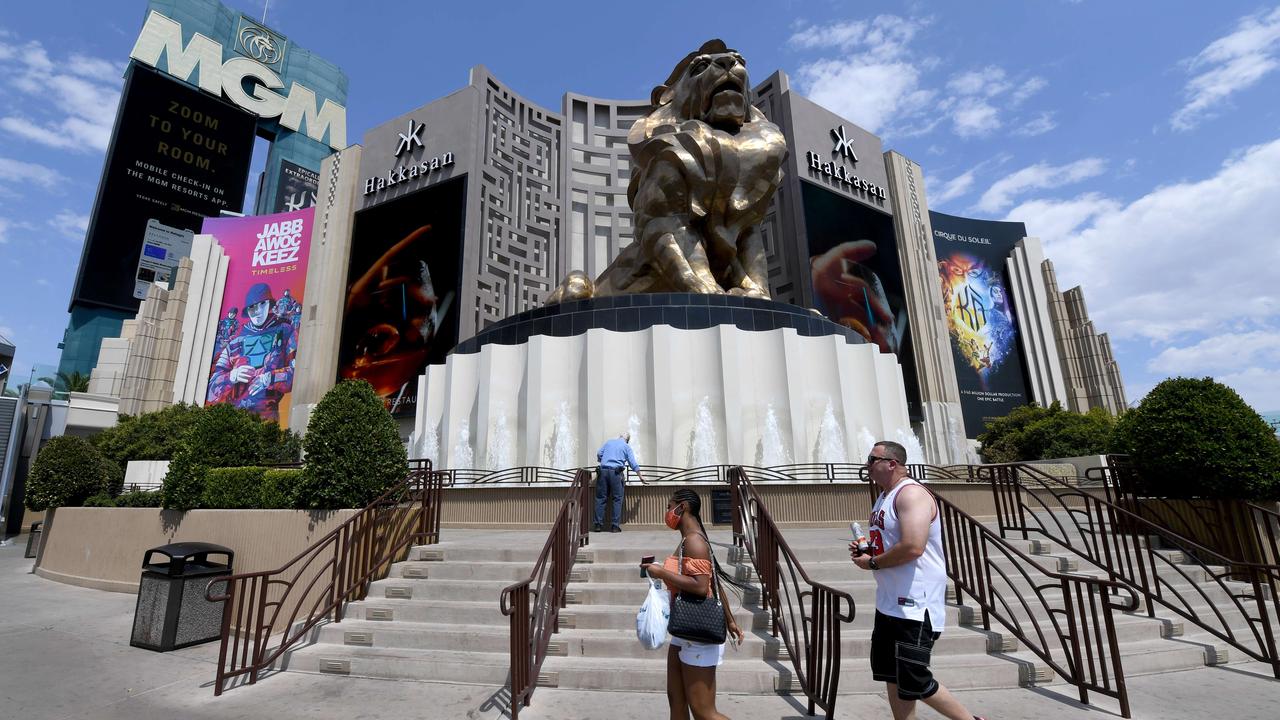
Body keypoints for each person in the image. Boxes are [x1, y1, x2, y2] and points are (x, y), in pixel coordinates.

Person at [852, 441, 986, 720]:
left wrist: (874, 562)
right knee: (892, 674)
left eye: (871, 459)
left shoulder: (911, 494)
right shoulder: (884, 496)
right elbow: (893, 543)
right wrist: (869, 552)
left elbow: (913, 546)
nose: (867, 465)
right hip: (889, 602)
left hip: (915, 604)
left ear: (891, 463)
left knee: (914, 678)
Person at [641, 488, 745, 720]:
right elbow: (715, 583)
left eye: (670, 506)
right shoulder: (689, 540)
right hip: (683, 631)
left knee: (703, 712)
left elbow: (700, 586)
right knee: (677, 703)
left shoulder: (695, 542)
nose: (667, 512)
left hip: (699, 634)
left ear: (683, 507)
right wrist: (730, 620)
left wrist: (661, 573)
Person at [207, 283, 297, 422]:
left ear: (269, 304)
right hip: (233, 419)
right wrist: (232, 376)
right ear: (247, 310)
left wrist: (268, 379)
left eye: (262, 304)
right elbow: (211, 389)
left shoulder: (286, 332)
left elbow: (296, 373)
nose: (258, 311)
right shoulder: (234, 342)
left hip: (267, 417)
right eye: (252, 307)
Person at [594, 432, 644, 532]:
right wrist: (640, 476)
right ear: (627, 440)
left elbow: (599, 454)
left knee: (600, 498)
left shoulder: (609, 442)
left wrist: (603, 460)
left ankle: (598, 525)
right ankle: (614, 526)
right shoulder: (626, 447)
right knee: (617, 499)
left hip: (603, 472)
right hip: (616, 474)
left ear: (620, 437)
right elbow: (632, 463)